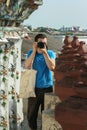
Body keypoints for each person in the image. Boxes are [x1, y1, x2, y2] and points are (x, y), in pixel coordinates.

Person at [25, 33, 56, 130]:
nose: (43, 45)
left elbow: (52, 67)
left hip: (47, 88)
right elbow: (27, 66)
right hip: (33, 88)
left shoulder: (50, 53)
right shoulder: (31, 53)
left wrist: (45, 53)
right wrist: (34, 50)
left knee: (46, 114)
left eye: (45, 43)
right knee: (31, 115)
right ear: (36, 43)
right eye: (40, 43)